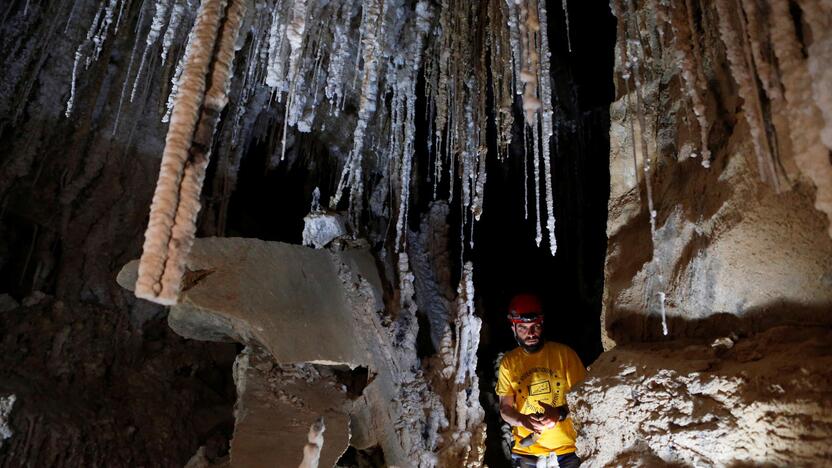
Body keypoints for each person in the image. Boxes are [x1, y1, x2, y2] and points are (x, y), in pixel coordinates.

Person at [495, 293, 586, 468]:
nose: (530, 334)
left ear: (542, 324)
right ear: (513, 328)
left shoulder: (564, 355)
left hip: (566, 449)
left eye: (535, 326)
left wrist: (558, 413)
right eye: (523, 328)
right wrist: (523, 420)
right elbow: (505, 409)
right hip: (527, 451)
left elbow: (585, 400)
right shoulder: (509, 363)